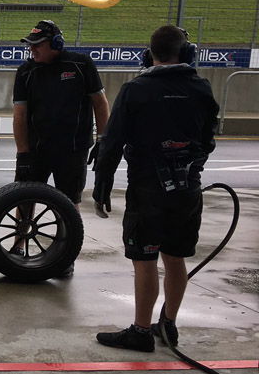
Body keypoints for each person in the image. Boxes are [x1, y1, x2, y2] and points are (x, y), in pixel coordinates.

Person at [93, 25, 218, 352]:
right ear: (188, 54)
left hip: (147, 190)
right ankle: (169, 324)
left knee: (145, 259)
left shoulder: (136, 89)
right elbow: (208, 140)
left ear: (149, 55)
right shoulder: (201, 89)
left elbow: (112, 141)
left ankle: (140, 330)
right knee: (175, 258)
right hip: (188, 188)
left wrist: (102, 184)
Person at [12, 19, 110, 208]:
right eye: (30, 45)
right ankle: (20, 239)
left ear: (56, 43)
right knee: (23, 200)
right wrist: (23, 154)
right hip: (36, 151)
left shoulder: (81, 65)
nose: (32, 50)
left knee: (69, 205)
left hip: (72, 152)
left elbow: (100, 104)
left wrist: (102, 141)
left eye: (38, 45)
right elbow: (20, 115)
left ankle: (69, 238)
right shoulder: (25, 71)